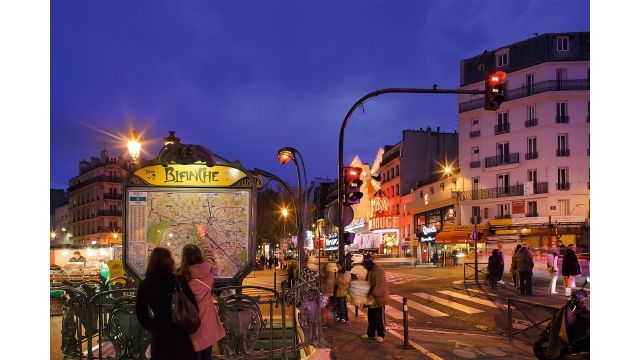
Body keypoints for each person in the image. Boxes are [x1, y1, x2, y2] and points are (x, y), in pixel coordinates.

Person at [135, 247, 197, 360]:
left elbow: (141, 314)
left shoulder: (145, 285)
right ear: (170, 262)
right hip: (180, 334)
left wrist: (154, 326)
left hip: (160, 336)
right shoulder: (179, 281)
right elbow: (194, 307)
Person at [177, 225, 226, 359]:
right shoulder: (208, 269)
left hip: (190, 321)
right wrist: (202, 235)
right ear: (199, 255)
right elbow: (209, 252)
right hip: (207, 321)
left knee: (195, 353)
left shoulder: (181, 276)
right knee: (207, 353)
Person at [360, 254, 390, 343]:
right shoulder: (370, 270)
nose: (364, 267)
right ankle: (371, 333)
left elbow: (380, 285)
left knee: (379, 318)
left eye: (364, 265)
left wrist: (372, 295)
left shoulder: (378, 270)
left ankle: (381, 334)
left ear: (368, 264)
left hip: (378, 299)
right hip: (372, 299)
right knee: (371, 317)